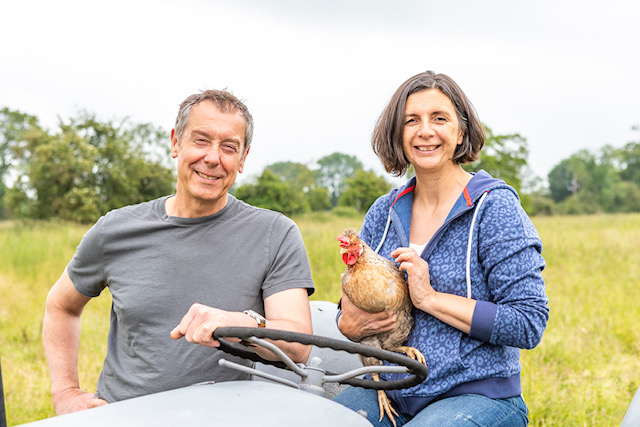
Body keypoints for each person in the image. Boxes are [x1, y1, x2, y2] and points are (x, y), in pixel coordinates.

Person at [42, 89, 315, 415]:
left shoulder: (275, 233)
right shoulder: (114, 230)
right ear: (175, 142)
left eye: (229, 147)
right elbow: (62, 307)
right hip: (123, 416)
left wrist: (239, 323)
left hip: (229, 418)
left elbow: (299, 346)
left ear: (243, 159)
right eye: (200, 140)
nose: (213, 158)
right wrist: (66, 391)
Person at [333, 71, 549, 426]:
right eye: (411, 120)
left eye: (439, 118)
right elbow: (357, 305)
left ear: (461, 131)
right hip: (391, 388)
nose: (425, 131)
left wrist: (430, 298)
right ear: (397, 134)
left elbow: (528, 322)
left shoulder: (493, 208)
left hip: (475, 394)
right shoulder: (383, 213)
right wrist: (348, 322)